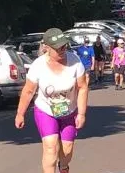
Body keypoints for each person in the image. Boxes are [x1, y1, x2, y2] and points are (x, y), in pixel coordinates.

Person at [15, 28, 89, 173]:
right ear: (47, 48)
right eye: (58, 47)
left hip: (69, 112)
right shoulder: (38, 65)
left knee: (67, 150)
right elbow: (28, 91)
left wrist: (81, 114)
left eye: (64, 46)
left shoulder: (75, 61)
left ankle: (64, 167)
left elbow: (82, 87)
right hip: (46, 111)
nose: (63, 49)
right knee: (51, 147)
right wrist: (20, 113)